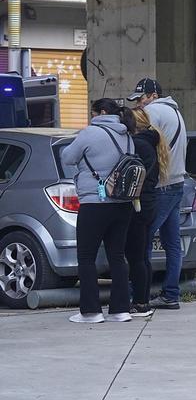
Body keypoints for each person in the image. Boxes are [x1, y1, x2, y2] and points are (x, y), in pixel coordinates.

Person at [60, 98, 135, 323]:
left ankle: (91, 312)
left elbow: (67, 157)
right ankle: (120, 310)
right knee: (117, 256)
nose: (90, 117)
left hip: (94, 203)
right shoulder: (127, 135)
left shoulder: (89, 133)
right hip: (122, 203)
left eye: (91, 113)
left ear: (101, 112)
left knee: (86, 257)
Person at [132, 78, 187, 310]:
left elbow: (144, 140)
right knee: (172, 243)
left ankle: (139, 295)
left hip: (162, 186)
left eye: (141, 98)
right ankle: (171, 294)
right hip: (177, 183)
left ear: (153, 95)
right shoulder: (176, 112)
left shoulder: (153, 112)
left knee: (142, 240)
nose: (139, 104)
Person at [122, 107, 169, 318]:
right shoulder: (150, 142)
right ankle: (143, 300)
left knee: (136, 256)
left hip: (138, 204)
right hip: (148, 202)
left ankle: (140, 302)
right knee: (141, 255)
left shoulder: (137, 144)